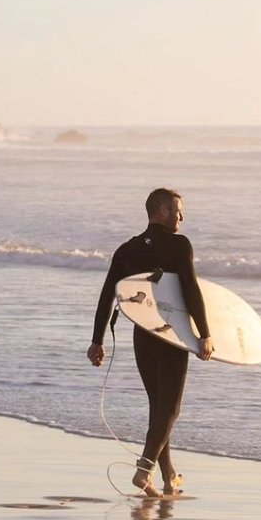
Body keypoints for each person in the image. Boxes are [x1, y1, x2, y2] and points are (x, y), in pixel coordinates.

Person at [88, 188, 214, 497]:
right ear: (160, 211)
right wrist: (205, 333)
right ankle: (145, 470)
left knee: (159, 407)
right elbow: (190, 290)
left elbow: (108, 296)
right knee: (170, 408)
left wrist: (97, 341)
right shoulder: (178, 245)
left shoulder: (126, 249)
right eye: (176, 211)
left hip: (143, 335)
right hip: (171, 335)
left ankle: (169, 476)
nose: (181, 217)